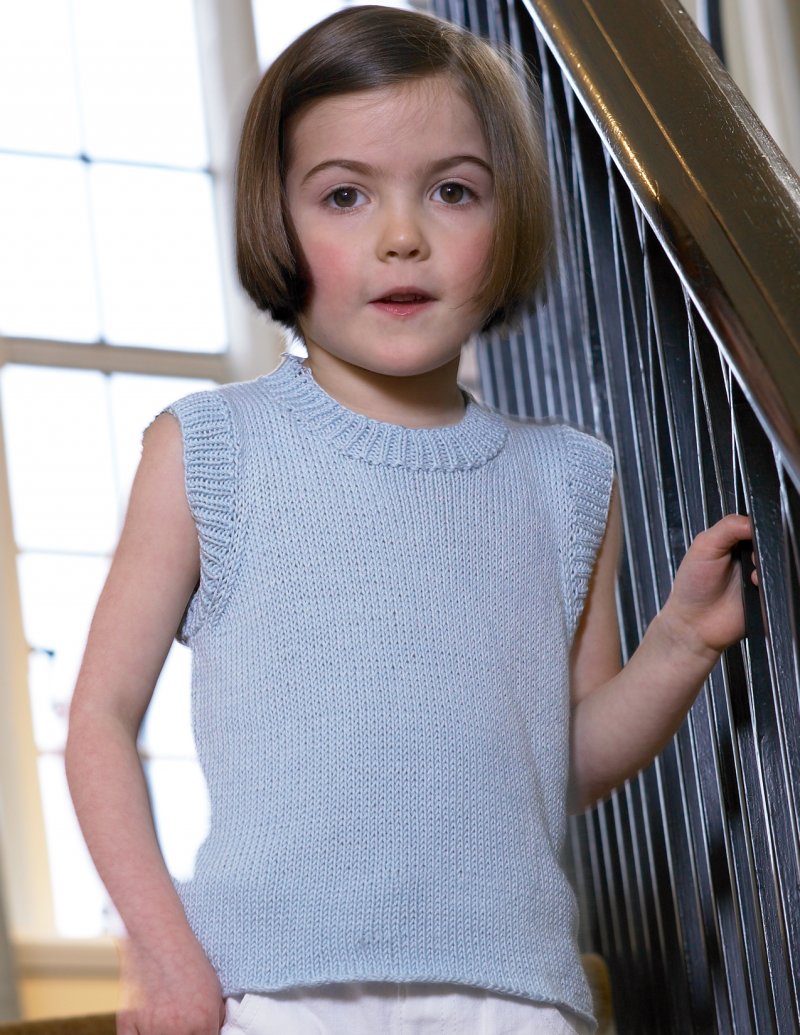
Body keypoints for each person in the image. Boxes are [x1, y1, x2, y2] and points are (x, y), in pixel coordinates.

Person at [65, 7, 755, 1034]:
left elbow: (558, 761)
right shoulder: (209, 449)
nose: (401, 237)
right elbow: (99, 720)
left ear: (507, 219)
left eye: (451, 190)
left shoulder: (568, 477)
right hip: (275, 991)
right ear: (276, 219)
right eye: (345, 195)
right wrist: (164, 957)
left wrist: (681, 645)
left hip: (510, 996)